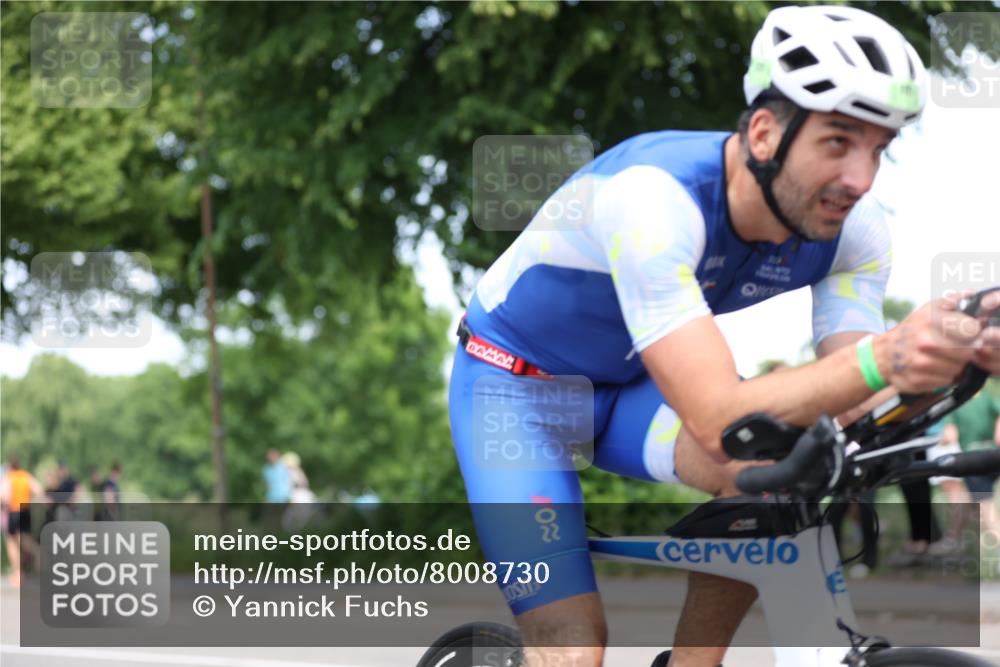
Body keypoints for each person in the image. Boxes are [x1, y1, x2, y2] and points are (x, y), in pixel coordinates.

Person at [447, 6, 1000, 667]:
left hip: (631, 387)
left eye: (877, 149)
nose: (861, 178)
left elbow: (852, 394)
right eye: (837, 142)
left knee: (763, 474)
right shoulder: (653, 200)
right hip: (513, 390)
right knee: (573, 647)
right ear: (764, 133)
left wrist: (949, 356)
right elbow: (714, 417)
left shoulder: (857, 230)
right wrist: (892, 354)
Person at [932, 390, 1000, 558]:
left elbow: (950, 436)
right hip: (994, 454)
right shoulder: (986, 396)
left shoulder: (953, 403)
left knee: (986, 508)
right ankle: (958, 541)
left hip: (973, 461)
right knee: (970, 504)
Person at [0, 457, 44, 587]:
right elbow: (38, 490)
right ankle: (39, 557)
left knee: (12, 542)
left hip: (13, 511)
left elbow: (4, 495)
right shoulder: (26, 476)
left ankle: (18, 573)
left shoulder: (9, 478)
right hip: (25, 510)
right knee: (25, 541)